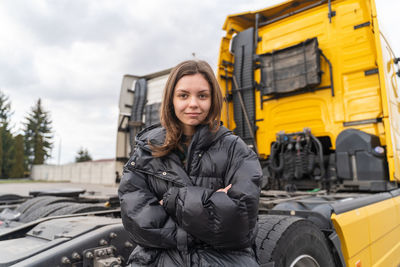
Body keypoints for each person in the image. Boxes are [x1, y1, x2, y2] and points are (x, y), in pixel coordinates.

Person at [118, 60, 262, 266]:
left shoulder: (236, 150)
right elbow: (137, 221)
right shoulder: (146, 149)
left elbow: (238, 224)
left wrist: (172, 200)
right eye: (183, 95)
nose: (193, 103)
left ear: (213, 100)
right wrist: (210, 205)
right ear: (171, 100)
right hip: (155, 260)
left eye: (202, 95)